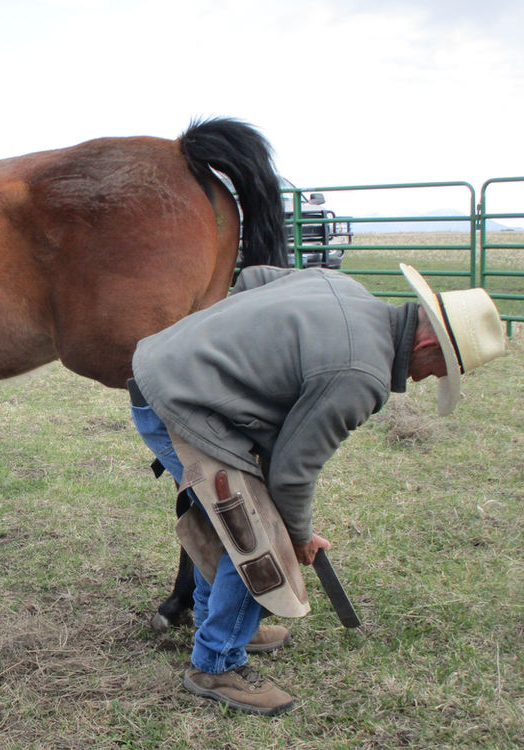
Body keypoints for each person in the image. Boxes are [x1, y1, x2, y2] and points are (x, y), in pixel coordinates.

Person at [130, 263, 506, 715]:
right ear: (429, 345)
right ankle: (217, 664)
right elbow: (291, 473)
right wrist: (301, 537)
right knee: (257, 537)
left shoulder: (342, 285)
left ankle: (230, 626)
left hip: (165, 375)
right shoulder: (360, 374)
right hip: (180, 405)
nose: (428, 380)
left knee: (229, 522)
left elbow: (253, 279)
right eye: (440, 370)